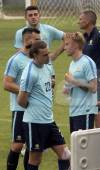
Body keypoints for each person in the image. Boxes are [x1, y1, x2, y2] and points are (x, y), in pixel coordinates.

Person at [17, 40, 70, 170]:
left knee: (65, 154)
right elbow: (21, 101)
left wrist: (50, 84)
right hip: (34, 122)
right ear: (35, 56)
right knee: (35, 159)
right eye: (45, 55)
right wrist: (36, 106)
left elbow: (47, 83)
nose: (48, 56)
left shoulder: (46, 65)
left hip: (49, 120)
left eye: (48, 53)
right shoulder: (30, 73)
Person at [4, 28, 40, 170]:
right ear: (28, 40)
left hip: (36, 109)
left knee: (32, 146)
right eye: (37, 39)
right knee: (18, 145)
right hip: (20, 109)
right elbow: (7, 83)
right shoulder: (16, 60)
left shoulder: (40, 58)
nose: (40, 42)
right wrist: (25, 91)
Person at [15, 5, 65, 91]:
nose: (33, 17)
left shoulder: (48, 29)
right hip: (29, 72)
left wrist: (55, 54)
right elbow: (19, 54)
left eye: (35, 14)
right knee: (32, 98)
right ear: (25, 17)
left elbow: (67, 37)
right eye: (30, 15)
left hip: (48, 71)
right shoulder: (20, 33)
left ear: (39, 15)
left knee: (48, 99)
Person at [63, 32, 98, 133]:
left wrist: (74, 81)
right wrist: (67, 87)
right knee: (77, 147)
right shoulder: (72, 63)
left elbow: (94, 87)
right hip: (74, 111)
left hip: (85, 111)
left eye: (67, 44)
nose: (64, 48)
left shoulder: (87, 62)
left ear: (76, 45)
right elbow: (73, 84)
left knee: (85, 147)